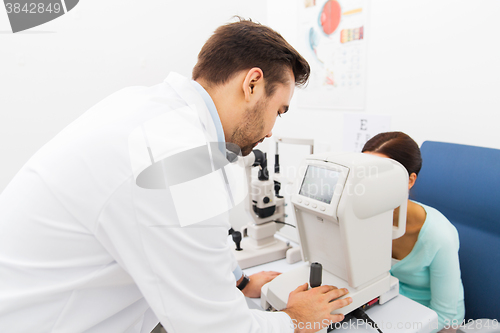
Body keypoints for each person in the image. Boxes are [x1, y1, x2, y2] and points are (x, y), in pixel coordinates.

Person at [0, 19, 351, 333]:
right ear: (253, 84)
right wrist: (294, 320)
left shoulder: (150, 110)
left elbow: (197, 237)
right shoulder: (179, 157)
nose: (273, 129)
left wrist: (240, 281)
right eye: (279, 110)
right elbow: (216, 328)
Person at [362, 132, 465, 333]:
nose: (369, 184)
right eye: (364, 173)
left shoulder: (439, 235)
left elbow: (447, 317)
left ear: (410, 180)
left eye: (381, 175)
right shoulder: (364, 218)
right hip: (383, 311)